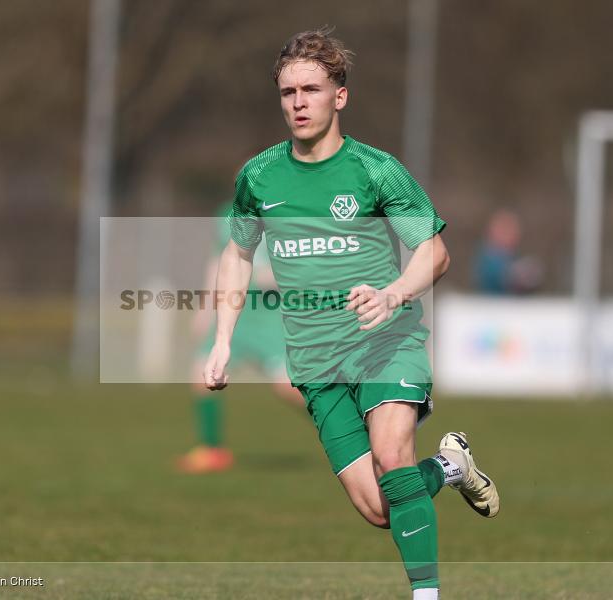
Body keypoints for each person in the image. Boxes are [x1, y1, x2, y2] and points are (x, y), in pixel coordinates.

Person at [203, 28, 499, 598]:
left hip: (386, 340)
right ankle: (452, 467)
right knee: (382, 508)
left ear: (340, 96)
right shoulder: (259, 178)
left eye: (311, 90)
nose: (298, 103)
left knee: (392, 457)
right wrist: (222, 341)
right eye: (288, 92)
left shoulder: (375, 171)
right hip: (316, 361)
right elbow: (237, 254)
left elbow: (434, 253)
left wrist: (393, 293)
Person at [177, 202, 303, 474]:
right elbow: (219, 261)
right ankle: (212, 450)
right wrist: (205, 307)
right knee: (202, 373)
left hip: (270, 315)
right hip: (232, 312)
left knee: (289, 388)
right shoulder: (226, 216)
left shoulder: (290, 212)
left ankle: (350, 431)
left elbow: (306, 262)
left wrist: (277, 278)